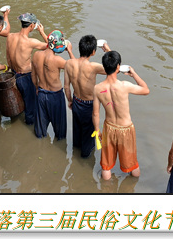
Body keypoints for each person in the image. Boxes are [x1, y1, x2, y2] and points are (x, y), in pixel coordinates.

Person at [92, 51, 150, 180]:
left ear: (104, 66)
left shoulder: (97, 88)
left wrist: (97, 130)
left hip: (109, 127)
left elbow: (95, 113)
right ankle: (132, 187)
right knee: (132, 164)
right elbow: (146, 90)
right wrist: (133, 74)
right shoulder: (125, 86)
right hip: (126, 129)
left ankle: (106, 189)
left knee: (106, 166)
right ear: (118, 67)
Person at [64, 35, 110, 158]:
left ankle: (75, 151)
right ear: (93, 52)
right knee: (88, 134)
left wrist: (70, 100)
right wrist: (107, 50)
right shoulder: (93, 67)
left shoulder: (69, 63)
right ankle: (84, 157)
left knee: (77, 130)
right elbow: (112, 67)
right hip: (89, 105)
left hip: (76, 101)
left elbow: (67, 87)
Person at [6, 13, 50, 126]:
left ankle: (16, 123)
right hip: (26, 77)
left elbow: (8, 57)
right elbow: (50, 46)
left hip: (14, 74)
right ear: (31, 26)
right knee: (30, 106)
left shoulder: (10, 36)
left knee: (16, 101)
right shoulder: (31, 42)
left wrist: (11, 72)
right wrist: (42, 32)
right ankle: (30, 127)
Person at [32, 30, 75, 140]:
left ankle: (40, 146)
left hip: (41, 93)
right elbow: (77, 68)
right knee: (60, 131)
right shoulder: (57, 60)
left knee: (40, 131)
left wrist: (37, 88)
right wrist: (70, 51)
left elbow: (33, 76)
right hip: (55, 96)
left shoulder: (36, 55)